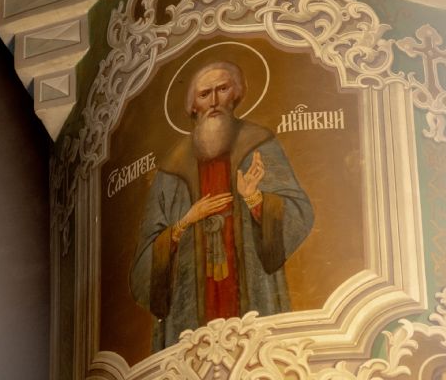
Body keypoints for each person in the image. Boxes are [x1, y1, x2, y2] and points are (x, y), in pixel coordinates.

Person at [130, 61, 314, 350]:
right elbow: (144, 262)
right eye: (205, 94)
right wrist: (184, 223)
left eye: (222, 89)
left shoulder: (260, 145)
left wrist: (254, 198)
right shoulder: (171, 168)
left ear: (236, 95)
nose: (214, 101)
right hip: (189, 314)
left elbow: (299, 212)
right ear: (193, 106)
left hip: (254, 296)